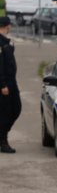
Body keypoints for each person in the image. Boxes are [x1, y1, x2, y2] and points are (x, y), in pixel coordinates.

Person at [0, 16, 21, 153]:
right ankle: (3, 141)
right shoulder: (0, 43)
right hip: (5, 85)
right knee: (6, 113)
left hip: (11, 82)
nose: (11, 28)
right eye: (10, 25)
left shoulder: (6, 41)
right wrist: (2, 85)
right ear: (6, 26)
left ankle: (2, 137)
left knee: (16, 109)